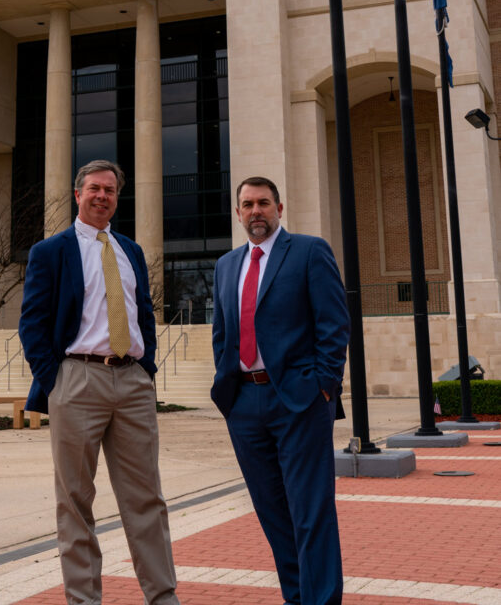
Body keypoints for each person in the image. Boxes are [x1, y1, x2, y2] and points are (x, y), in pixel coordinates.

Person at [19, 159, 180, 605]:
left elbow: (144, 312)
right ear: (78, 194)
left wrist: (146, 370)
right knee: (75, 500)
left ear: (117, 198)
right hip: (77, 379)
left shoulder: (131, 250)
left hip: (132, 382)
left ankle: (163, 596)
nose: (102, 196)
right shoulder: (51, 252)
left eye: (110, 190)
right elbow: (32, 323)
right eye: (94, 189)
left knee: (147, 497)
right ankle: (84, 600)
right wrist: (55, 380)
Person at [211, 177, 350, 605]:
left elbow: (334, 325)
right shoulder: (226, 265)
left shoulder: (309, 251)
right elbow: (222, 333)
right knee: (273, 513)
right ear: (237, 213)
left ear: (279, 208)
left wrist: (322, 387)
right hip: (245, 404)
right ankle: (297, 597)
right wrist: (227, 392)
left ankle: (321, 601)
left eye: (264, 203)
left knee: (311, 512)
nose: (256, 211)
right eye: (248, 204)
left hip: (299, 400)